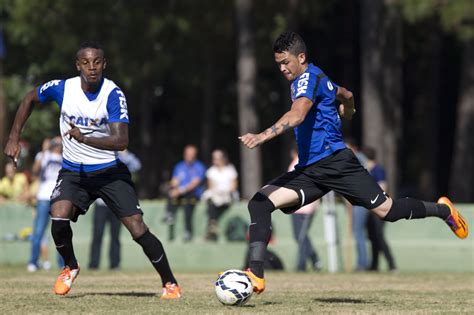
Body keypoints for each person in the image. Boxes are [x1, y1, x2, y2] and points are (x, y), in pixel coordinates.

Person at [238, 31, 468, 295]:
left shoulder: (307, 79)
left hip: (338, 164)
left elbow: (298, 114)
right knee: (260, 202)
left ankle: (443, 211)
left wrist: (262, 135)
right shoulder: (317, 76)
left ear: (301, 57)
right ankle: (255, 275)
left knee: (388, 212)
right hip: (311, 171)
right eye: (278, 63)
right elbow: (345, 93)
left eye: (286, 62)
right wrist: (349, 109)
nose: (282, 68)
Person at [4, 42, 180, 299]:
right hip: (74, 172)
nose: (92, 67)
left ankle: (170, 282)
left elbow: (121, 142)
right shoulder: (63, 88)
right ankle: (70, 266)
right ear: (78, 66)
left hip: (109, 172)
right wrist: (14, 137)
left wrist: (85, 138)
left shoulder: (113, 94)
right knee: (58, 215)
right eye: (86, 62)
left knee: (137, 228)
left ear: (104, 64)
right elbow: (30, 97)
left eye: (97, 62)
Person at [88, 149, 141, 270]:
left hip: (116, 204)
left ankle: (115, 264)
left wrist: (124, 153)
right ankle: (93, 264)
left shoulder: (122, 159)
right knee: (97, 235)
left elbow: (137, 165)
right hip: (101, 204)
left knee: (115, 235)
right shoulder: (100, 156)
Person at [27, 137, 64, 272]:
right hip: (43, 198)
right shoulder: (43, 155)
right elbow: (35, 171)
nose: (59, 145)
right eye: (57, 143)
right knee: (38, 232)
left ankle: (62, 263)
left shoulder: (64, 157)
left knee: (60, 231)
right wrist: (44, 151)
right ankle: (33, 262)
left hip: (58, 198)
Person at [363, 146, 397, 272]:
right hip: (369, 210)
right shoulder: (365, 171)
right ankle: (374, 265)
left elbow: (383, 188)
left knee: (380, 237)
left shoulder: (378, 170)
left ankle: (392, 265)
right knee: (372, 237)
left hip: (379, 209)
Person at [288, 149, 321, 272]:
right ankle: (314, 260)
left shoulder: (300, 163)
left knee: (301, 236)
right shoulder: (305, 161)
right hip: (300, 207)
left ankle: (302, 264)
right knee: (301, 236)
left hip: (304, 207)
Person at [164, 144, 205, 242]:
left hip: (193, 194)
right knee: (171, 194)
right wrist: (173, 186)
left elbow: (194, 184)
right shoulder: (180, 166)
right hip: (180, 193)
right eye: (187, 154)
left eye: (191, 154)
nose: (189, 156)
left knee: (187, 203)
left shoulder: (199, 167)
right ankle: (169, 214)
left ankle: (188, 231)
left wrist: (180, 190)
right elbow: (175, 180)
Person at [203, 149, 238, 241]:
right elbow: (211, 187)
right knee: (212, 200)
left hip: (227, 195)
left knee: (217, 203)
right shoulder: (211, 171)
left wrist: (224, 192)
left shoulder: (230, 169)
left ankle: (212, 223)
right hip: (216, 195)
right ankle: (213, 224)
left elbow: (233, 186)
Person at [345, 138, 370, 271]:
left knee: (358, 232)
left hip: (360, 199)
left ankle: (362, 263)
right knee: (358, 232)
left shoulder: (356, 158)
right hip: (358, 199)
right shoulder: (359, 157)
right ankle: (362, 262)